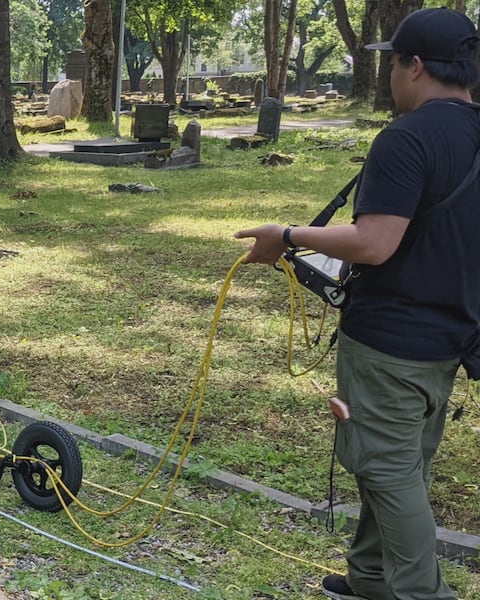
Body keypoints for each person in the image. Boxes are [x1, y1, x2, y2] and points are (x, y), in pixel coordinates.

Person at [235, 8, 480, 600]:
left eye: (393, 63)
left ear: (414, 65)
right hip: (450, 338)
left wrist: (290, 237)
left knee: (388, 469)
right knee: (397, 461)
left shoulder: (408, 137)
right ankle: (371, 577)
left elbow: (374, 241)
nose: (391, 77)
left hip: (391, 342)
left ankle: (424, 593)